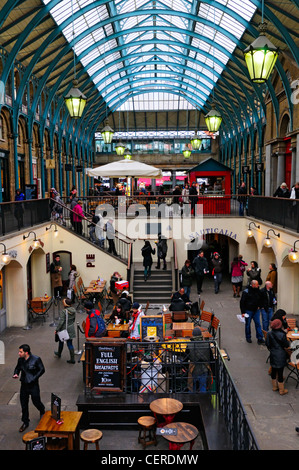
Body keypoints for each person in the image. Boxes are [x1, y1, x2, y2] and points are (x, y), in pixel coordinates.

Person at [13, 344, 45, 432]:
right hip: (24, 385)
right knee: (24, 404)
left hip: (33, 385)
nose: (19, 353)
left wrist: (34, 378)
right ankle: (25, 422)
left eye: (21, 352)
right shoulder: (20, 360)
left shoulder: (36, 359)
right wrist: (16, 373)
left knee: (36, 401)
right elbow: (17, 368)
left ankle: (42, 410)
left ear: (26, 352)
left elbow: (42, 369)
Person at [265, 319, 290, 395]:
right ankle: (281, 390)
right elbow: (286, 345)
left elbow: (267, 344)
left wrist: (272, 349)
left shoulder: (269, 334)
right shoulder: (282, 334)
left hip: (273, 354)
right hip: (281, 354)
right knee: (280, 372)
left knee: (273, 370)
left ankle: (274, 386)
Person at [240, 279, 265, 344]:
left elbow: (261, 299)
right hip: (248, 311)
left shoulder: (258, 291)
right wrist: (243, 312)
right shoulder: (246, 292)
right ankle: (248, 337)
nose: (258, 285)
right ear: (253, 285)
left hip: (256, 310)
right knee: (248, 324)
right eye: (257, 284)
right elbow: (242, 302)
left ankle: (260, 338)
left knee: (258, 324)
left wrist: (260, 305)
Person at [187, 328, 211, 392]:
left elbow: (186, 357)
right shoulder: (207, 344)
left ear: (193, 335)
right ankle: (203, 400)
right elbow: (210, 357)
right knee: (203, 386)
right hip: (204, 368)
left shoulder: (189, 345)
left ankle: (191, 400)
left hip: (193, 369)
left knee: (191, 386)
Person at [54, 298, 76, 364]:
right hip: (71, 328)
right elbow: (73, 320)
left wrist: (57, 329)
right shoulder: (73, 310)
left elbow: (61, 322)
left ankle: (59, 353)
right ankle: (72, 358)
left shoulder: (64, 312)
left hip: (64, 329)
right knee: (70, 344)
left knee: (61, 341)